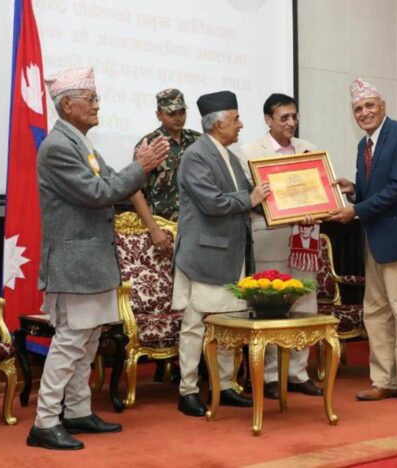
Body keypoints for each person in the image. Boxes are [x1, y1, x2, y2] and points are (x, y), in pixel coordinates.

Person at [27, 66, 169, 450]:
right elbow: (98, 192)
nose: (96, 105)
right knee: (70, 342)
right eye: (89, 99)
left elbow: (112, 183)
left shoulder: (82, 144)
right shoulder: (58, 147)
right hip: (74, 264)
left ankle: (77, 411)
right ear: (67, 105)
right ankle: (44, 422)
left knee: (88, 341)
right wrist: (141, 166)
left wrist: (137, 167)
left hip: (91, 262)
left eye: (96, 98)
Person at [327, 78, 397, 407]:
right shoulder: (364, 145)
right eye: (358, 108)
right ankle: (384, 381)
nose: (364, 112)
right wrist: (354, 190)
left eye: (370, 105)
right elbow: (374, 191)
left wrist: (356, 210)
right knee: (376, 314)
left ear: (383, 106)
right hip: (374, 242)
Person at [174, 90, 270, 417]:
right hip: (205, 255)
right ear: (217, 124)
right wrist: (252, 199)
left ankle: (225, 385)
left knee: (231, 321)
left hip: (233, 254)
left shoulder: (230, 156)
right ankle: (187, 390)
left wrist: (288, 207)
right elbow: (213, 203)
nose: (240, 125)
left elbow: (250, 198)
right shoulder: (196, 155)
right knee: (195, 324)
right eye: (236, 119)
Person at [238, 93, 323, 399]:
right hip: (268, 236)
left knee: (304, 301)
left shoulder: (308, 149)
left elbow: (319, 191)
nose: (291, 122)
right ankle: (270, 375)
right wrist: (282, 208)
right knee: (270, 305)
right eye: (284, 117)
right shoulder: (249, 152)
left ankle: (298, 372)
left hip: (304, 238)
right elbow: (249, 197)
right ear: (268, 120)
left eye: (294, 116)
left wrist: (315, 206)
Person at [130, 88, 201, 253]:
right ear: (159, 115)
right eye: (171, 113)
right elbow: (134, 191)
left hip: (195, 226)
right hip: (162, 229)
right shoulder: (149, 145)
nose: (178, 118)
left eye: (181, 112)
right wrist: (154, 229)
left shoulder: (197, 141)